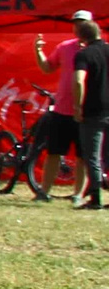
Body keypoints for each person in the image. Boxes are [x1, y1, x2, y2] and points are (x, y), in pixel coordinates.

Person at [31, 11, 94, 201]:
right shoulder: (65, 47)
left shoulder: (97, 49)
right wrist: (38, 51)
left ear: (91, 25)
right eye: (75, 23)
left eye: (82, 23)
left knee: (82, 157)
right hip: (62, 110)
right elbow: (48, 68)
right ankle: (44, 191)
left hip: (85, 112)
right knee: (54, 152)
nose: (78, 27)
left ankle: (78, 194)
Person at [74, 14, 107, 209]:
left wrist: (78, 106)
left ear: (81, 37)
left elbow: (79, 80)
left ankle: (95, 198)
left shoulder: (84, 54)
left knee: (92, 156)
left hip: (94, 110)